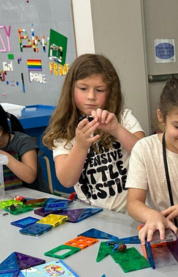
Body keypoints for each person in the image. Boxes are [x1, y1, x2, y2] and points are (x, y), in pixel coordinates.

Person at [43, 54, 145, 212]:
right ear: (71, 89)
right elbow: (66, 180)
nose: (91, 96)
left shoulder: (123, 118)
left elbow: (146, 155)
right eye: (83, 89)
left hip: (134, 213)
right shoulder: (64, 131)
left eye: (99, 90)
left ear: (110, 92)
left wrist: (116, 129)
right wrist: (80, 145)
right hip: (94, 216)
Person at [126, 77, 178, 243]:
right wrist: (151, 215)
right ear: (161, 117)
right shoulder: (144, 149)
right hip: (163, 238)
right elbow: (133, 203)